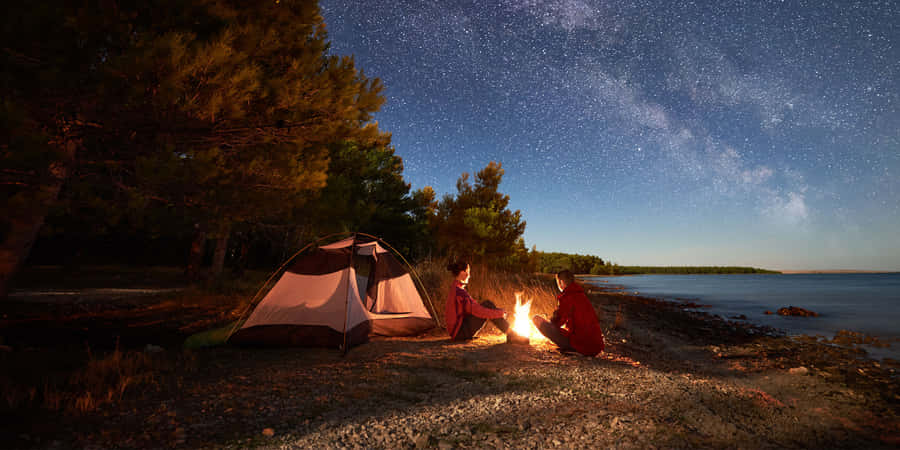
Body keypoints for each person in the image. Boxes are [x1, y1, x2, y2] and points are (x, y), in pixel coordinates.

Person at [532, 269, 605, 356]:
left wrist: (549, 322)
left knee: (536, 319)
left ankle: (574, 350)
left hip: (582, 347)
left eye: (558, 282)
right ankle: (574, 348)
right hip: (596, 348)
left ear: (561, 282)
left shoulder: (567, 297)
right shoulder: (581, 295)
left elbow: (557, 321)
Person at [445, 261, 511, 340]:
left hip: (458, 331)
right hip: (460, 333)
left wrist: (498, 312)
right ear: (463, 273)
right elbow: (478, 311)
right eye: (468, 272)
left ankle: (510, 333)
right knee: (487, 305)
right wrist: (499, 313)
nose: (469, 276)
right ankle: (511, 334)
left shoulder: (456, 288)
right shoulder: (459, 292)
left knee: (487, 304)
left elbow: (473, 308)